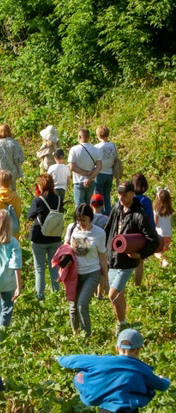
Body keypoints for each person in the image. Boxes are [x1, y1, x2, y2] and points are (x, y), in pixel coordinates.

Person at [104, 181, 159, 330]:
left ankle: (121, 325)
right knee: (118, 294)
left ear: (132, 194)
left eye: (124, 194)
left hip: (127, 262)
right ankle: (122, 324)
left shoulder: (139, 215)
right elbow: (108, 229)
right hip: (113, 258)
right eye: (119, 193)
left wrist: (140, 254)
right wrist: (102, 249)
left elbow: (154, 240)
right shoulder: (117, 208)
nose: (121, 197)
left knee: (112, 293)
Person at [61, 203, 109, 337]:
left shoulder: (99, 233)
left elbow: (103, 257)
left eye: (84, 219)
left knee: (82, 304)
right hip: (74, 273)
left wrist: (105, 279)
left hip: (92, 273)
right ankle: (75, 334)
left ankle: (86, 336)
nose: (80, 223)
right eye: (78, 219)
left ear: (90, 218)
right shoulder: (71, 228)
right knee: (73, 307)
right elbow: (66, 246)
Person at [27, 173, 64, 300]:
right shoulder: (59, 199)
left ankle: (40, 296)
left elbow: (30, 216)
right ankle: (56, 295)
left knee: (39, 269)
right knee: (54, 267)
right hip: (55, 237)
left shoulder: (38, 200)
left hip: (39, 238)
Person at [69, 128, 103, 212]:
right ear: (88, 137)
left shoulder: (74, 150)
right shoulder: (96, 150)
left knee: (79, 205)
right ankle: (89, 222)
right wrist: (90, 177)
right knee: (89, 205)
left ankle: (78, 223)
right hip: (91, 181)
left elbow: (72, 167)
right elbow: (99, 167)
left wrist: (85, 173)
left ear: (79, 136)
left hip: (78, 181)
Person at [95, 126, 119, 212]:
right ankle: (108, 215)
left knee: (98, 196)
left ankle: (99, 214)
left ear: (98, 135)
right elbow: (116, 159)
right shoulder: (113, 146)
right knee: (107, 196)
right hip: (109, 173)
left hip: (99, 173)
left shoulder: (96, 147)